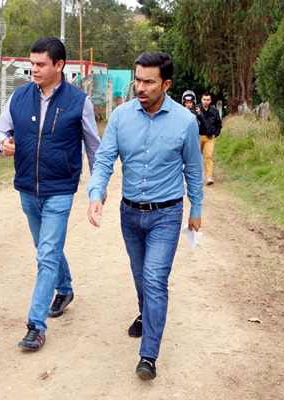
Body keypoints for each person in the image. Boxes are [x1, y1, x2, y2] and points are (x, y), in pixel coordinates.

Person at [86, 51, 204, 380]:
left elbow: (194, 170)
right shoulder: (121, 118)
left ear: (166, 84)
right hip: (129, 214)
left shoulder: (185, 121)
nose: (140, 86)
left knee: (155, 279)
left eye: (148, 81)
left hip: (167, 214)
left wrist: (196, 208)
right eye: (137, 79)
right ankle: (144, 312)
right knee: (141, 277)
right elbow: (105, 160)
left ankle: (148, 355)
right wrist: (96, 194)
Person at [0, 37, 101, 351]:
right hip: (27, 187)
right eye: (32, 63)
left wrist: (97, 188)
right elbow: (0, 131)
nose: (33, 69)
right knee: (46, 248)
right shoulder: (20, 96)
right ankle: (64, 289)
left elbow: (95, 149)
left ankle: (35, 326)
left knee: (46, 255)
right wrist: (2, 144)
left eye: (40, 64)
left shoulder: (79, 102)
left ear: (59, 66)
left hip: (60, 189)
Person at [197, 92, 222, 185]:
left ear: (210, 100)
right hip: (198, 136)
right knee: (196, 157)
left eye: (208, 100)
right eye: (204, 99)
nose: (206, 101)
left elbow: (219, 124)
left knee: (209, 156)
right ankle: (197, 176)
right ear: (201, 99)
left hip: (209, 137)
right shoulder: (197, 109)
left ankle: (209, 177)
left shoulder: (215, 111)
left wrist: (216, 134)